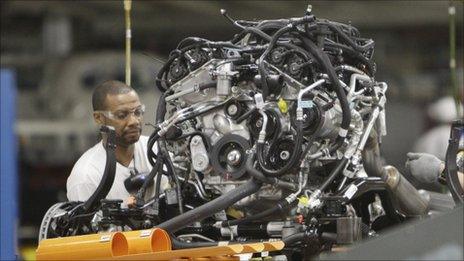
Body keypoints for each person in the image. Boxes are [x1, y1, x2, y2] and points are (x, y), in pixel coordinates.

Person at [66, 80, 167, 206]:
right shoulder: (86, 177)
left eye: (138, 112)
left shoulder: (159, 150)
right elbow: (86, 224)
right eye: (121, 115)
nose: (134, 121)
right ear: (98, 118)